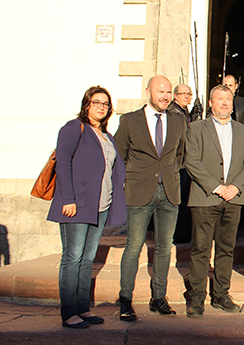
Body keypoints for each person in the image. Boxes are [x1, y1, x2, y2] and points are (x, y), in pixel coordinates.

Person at [47, 86, 127, 328]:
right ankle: (69, 312)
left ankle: (83, 308)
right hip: (77, 204)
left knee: (88, 258)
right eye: (96, 102)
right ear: (86, 105)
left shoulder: (107, 136)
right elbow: (63, 164)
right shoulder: (74, 128)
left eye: (105, 104)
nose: (101, 107)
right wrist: (68, 199)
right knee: (72, 257)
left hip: (100, 206)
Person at [115, 75, 188, 320]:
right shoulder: (129, 120)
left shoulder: (178, 121)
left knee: (164, 248)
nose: (165, 96)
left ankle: (159, 298)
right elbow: (120, 154)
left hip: (169, 192)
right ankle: (125, 299)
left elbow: (180, 155)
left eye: (168, 92)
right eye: (160, 91)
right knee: (134, 246)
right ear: (148, 91)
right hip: (139, 191)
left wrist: (168, 174)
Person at [184, 85, 244, 317]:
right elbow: (191, 161)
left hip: (233, 199)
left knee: (226, 249)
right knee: (201, 249)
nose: (225, 103)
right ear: (210, 103)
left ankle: (221, 294)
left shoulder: (243, 131)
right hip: (205, 198)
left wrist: (235, 187)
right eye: (220, 99)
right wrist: (217, 187)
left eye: (228, 99)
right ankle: (197, 295)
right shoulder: (196, 128)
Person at [169, 84, 194, 243]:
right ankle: (178, 234)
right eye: (183, 93)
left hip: (185, 162)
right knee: (179, 199)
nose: (186, 96)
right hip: (178, 162)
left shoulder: (184, 111)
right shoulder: (173, 112)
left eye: (188, 94)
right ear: (175, 96)